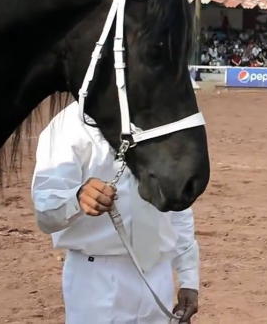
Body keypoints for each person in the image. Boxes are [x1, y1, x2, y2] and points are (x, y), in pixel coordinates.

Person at [31, 102, 200, 323]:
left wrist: (189, 279)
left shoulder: (163, 121)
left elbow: (177, 205)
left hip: (158, 278)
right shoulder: (70, 124)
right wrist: (77, 198)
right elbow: (45, 212)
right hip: (97, 282)